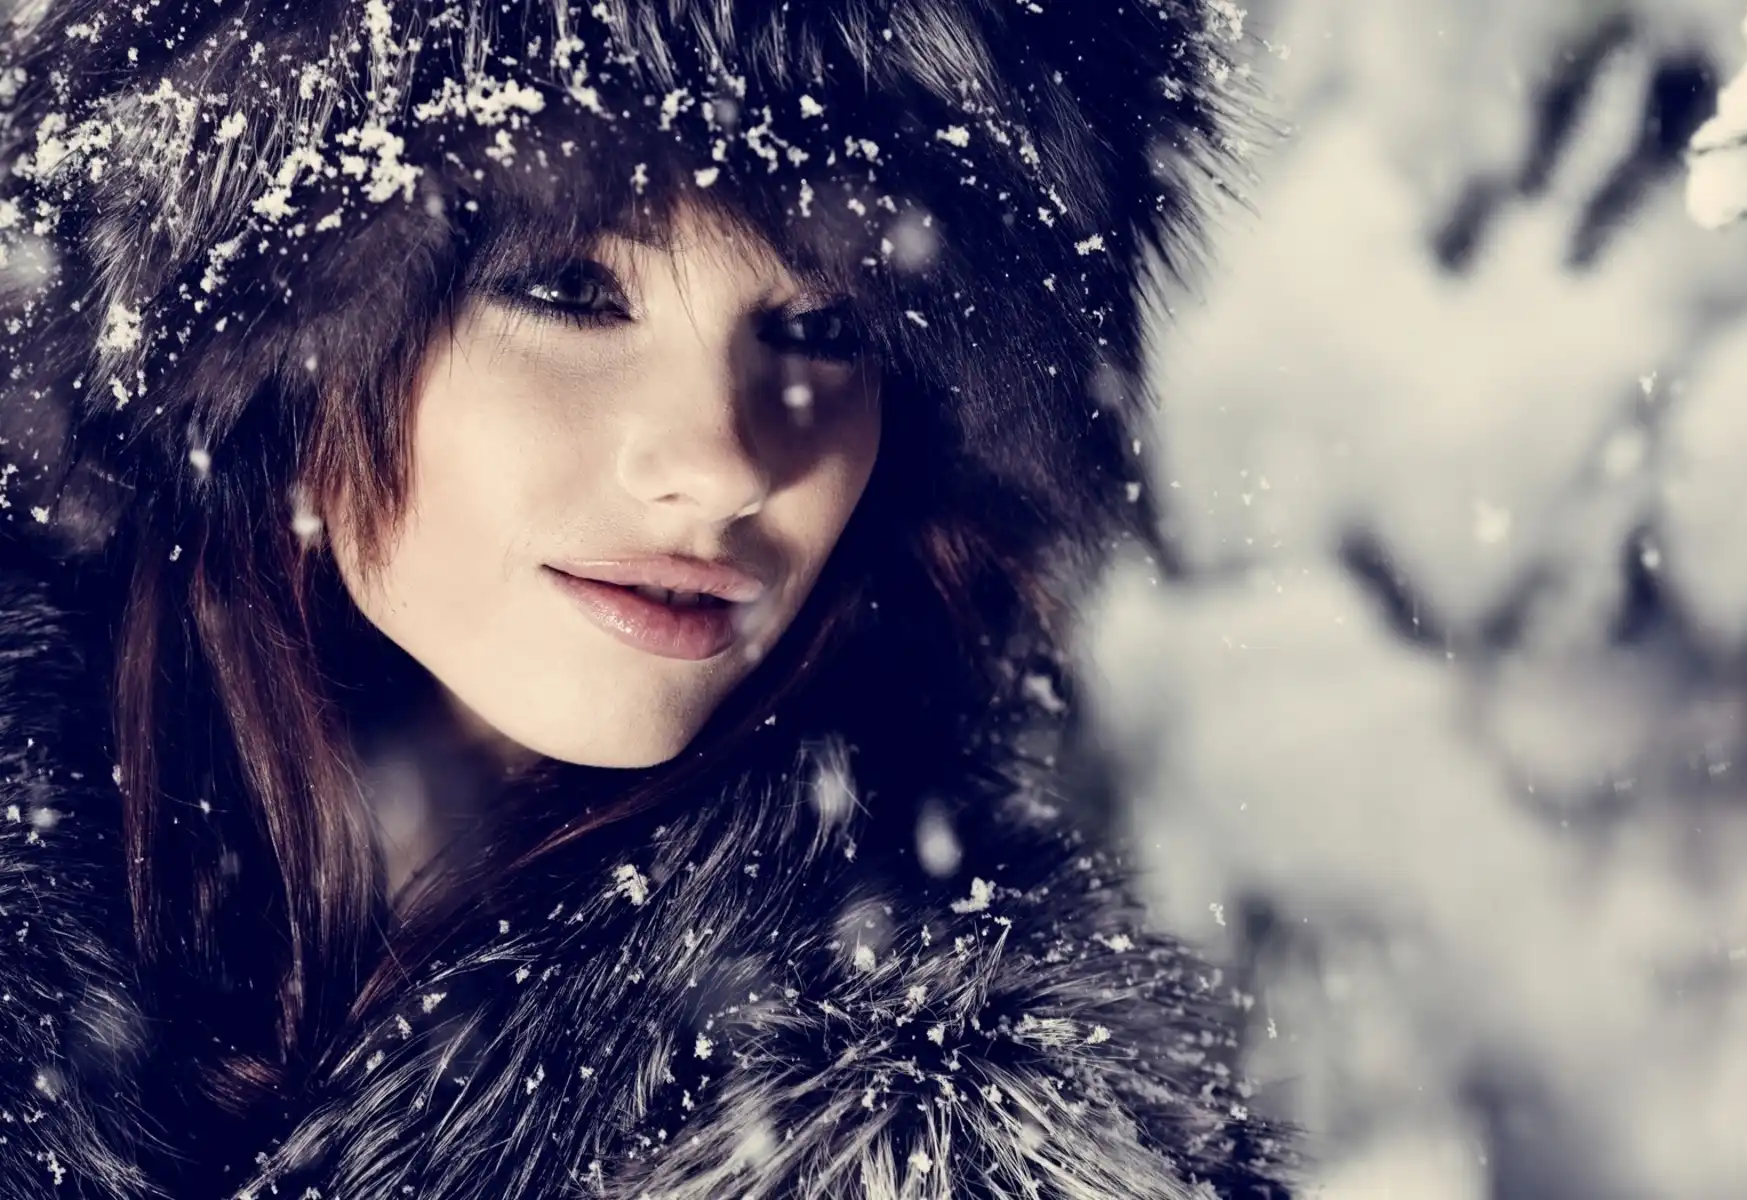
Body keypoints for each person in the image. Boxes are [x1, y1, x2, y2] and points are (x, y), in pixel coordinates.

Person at [0, 0, 1296, 1196]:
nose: (726, 464)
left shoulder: (967, 1137)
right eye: (570, 289)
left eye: (827, 329)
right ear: (256, 353)